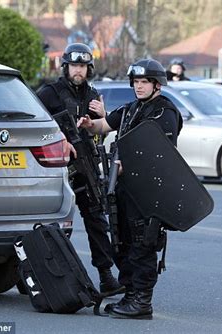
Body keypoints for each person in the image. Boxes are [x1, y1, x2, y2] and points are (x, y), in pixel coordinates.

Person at [77, 58, 183, 320]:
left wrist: (129, 164)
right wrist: (90, 125)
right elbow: (105, 124)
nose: (139, 86)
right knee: (121, 241)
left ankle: (142, 301)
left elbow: (161, 153)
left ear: (157, 84)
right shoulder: (130, 109)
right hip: (123, 189)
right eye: (136, 82)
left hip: (148, 191)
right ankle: (130, 295)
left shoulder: (164, 112)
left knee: (142, 243)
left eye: (144, 82)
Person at [36, 43, 124, 297]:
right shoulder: (49, 93)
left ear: (89, 69)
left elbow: (101, 130)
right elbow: (32, 124)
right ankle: (40, 275)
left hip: (86, 163)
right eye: (74, 65)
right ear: (65, 67)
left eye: (83, 66)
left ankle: (106, 276)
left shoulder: (93, 94)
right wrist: (58, 137)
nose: (78, 70)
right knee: (54, 223)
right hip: (56, 166)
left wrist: (101, 115)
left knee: (97, 220)